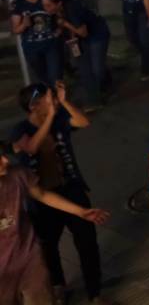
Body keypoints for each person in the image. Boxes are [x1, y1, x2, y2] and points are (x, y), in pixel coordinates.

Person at [12, 82, 108, 305]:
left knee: (87, 242)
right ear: (34, 106)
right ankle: (58, 287)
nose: (54, 102)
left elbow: (84, 122)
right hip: (42, 197)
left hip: (71, 187)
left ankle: (95, 294)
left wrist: (65, 103)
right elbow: (31, 147)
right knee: (48, 247)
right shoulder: (21, 130)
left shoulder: (59, 117)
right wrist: (49, 117)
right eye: (49, 99)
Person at [0, 138, 110, 305]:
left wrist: (80, 211)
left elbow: (42, 195)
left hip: (30, 259)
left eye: (3, 155)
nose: (6, 160)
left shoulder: (18, 175)